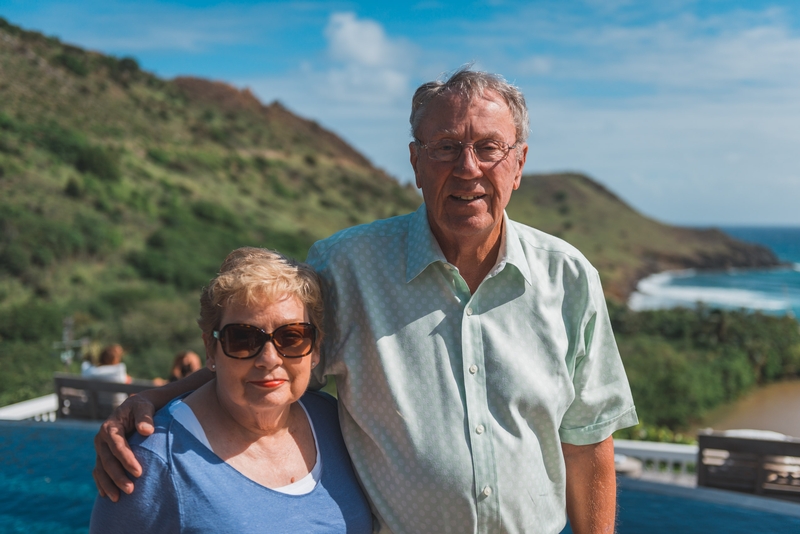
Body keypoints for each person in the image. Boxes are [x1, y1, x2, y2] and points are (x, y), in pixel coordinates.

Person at [93, 68, 637, 534]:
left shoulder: (569, 278)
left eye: (488, 148)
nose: (467, 166)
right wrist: (160, 398)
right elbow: (269, 346)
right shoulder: (346, 266)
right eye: (445, 146)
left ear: (517, 165)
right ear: (416, 163)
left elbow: (588, 442)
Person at [89, 248, 373, 533]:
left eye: (292, 336)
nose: (269, 359)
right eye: (243, 338)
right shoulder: (154, 461)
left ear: (316, 348)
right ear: (211, 349)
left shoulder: (335, 423)